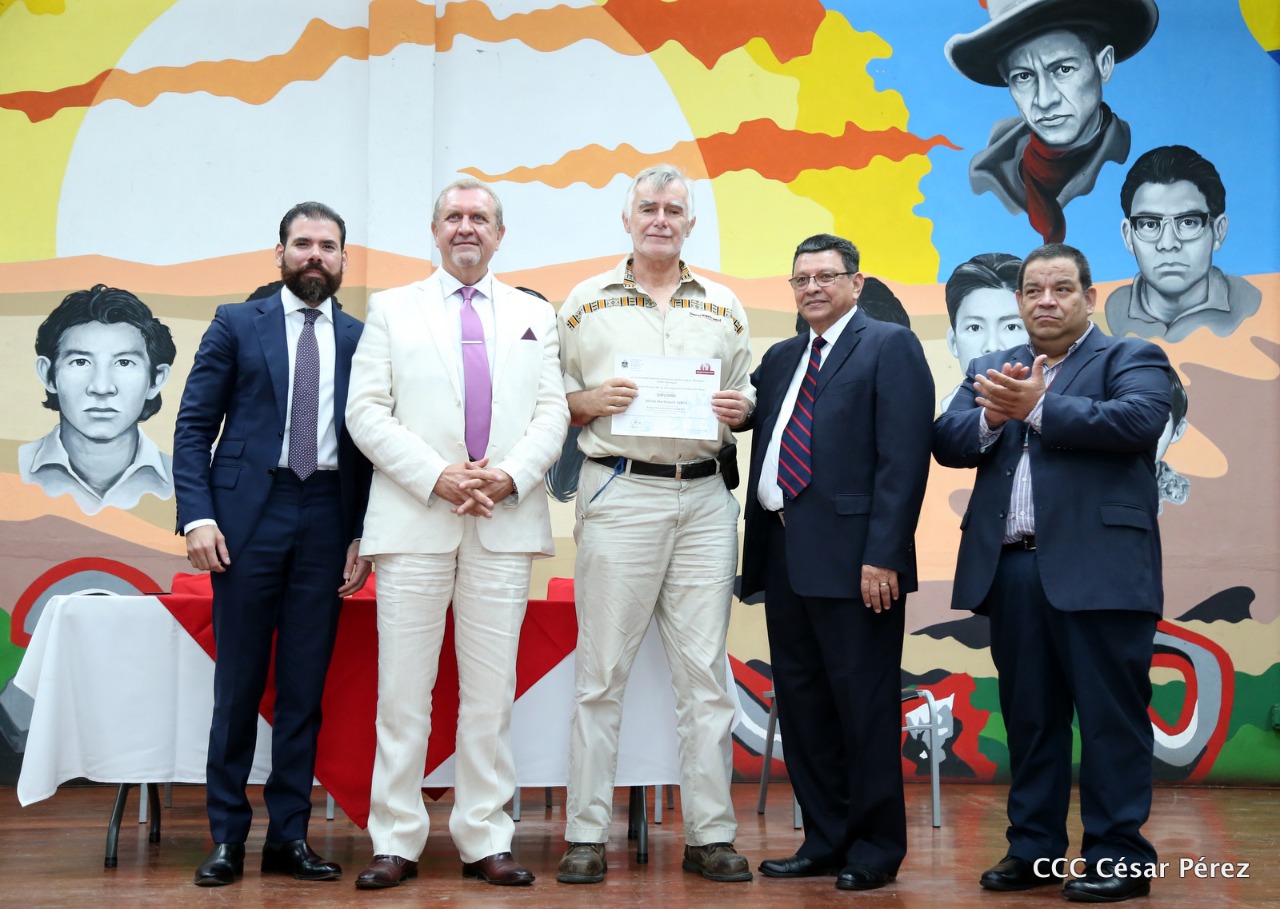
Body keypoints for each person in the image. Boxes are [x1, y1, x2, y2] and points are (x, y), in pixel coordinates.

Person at [345, 179, 568, 890]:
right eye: (453, 217)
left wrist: (508, 476)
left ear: (499, 234)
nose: (466, 227)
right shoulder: (391, 309)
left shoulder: (536, 314)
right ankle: (395, 838)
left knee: (490, 696)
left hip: (503, 519)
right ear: (435, 230)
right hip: (415, 520)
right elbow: (365, 412)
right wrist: (437, 475)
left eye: (479, 217)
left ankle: (486, 837)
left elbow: (553, 413)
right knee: (402, 694)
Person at [933, 243, 1172, 902]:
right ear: (1019, 301)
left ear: (1088, 297)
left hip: (1102, 573)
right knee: (1031, 720)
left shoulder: (1131, 357)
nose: (1046, 300)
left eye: (1061, 288)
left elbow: (1137, 420)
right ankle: (1033, 849)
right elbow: (946, 439)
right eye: (1033, 290)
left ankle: (1119, 855)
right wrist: (993, 413)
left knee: (1110, 721)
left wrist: (1038, 406)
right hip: (1013, 570)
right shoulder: (992, 368)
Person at [556, 164, 755, 885]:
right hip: (621, 490)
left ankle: (710, 835)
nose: (661, 219)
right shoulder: (584, 303)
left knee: (705, 677)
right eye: (649, 207)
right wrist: (587, 401)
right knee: (601, 675)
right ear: (628, 219)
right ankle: (585, 835)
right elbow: (550, 401)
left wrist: (743, 409)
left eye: (674, 209)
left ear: (690, 223)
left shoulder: (725, 306)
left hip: (705, 500)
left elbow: (745, 392)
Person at [173, 201, 372, 887]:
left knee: (304, 689)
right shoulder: (236, 322)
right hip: (245, 520)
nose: (315, 255)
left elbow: (368, 446)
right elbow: (193, 426)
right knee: (237, 687)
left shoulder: (360, 338)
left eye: (328, 245)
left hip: (326, 516)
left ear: (343, 259)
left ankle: (289, 836)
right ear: (280, 253)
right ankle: (227, 837)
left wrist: (361, 532)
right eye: (303, 243)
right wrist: (197, 516)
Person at [741, 233, 934, 892]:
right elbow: (763, 424)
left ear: (856, 283)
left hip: (859, 565)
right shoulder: (781, 357)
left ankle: (876, 847)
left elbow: (903, 460)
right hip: (785, 553)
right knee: (804, 706)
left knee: (864, 707)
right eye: (802, 278)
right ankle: (824, 840)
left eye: (826, 275)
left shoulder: (889, 345)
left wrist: (884, 554)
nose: (813, 287)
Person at [945, 0, 1158, 242]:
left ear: (1104, 65)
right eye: (1023, 76)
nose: (1044, 100)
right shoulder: (987, 176)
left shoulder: (1142, 165)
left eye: (1063, 69)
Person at [20, 285, 176, 514]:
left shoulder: (181, 479)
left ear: (156, 380)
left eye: (124, 363)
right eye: (80, 362)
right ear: (48, 375)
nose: (102, 388)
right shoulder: (14, 467)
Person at [1107, 145, 1262, 342]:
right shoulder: (1105, 312)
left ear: (1219, 231)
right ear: (1128, 236)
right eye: (1150, 224)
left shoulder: (1255, 307)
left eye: (1188, 222)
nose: (1168, 243)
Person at [940, 253, 1027, 411]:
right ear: (953, 342)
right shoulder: (947, 419)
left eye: (1011, 327)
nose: (992, 347)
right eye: (975, 328)